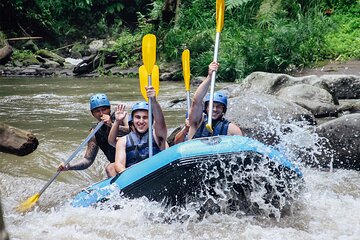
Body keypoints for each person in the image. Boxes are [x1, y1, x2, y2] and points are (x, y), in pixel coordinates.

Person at [57, 93, 129, 178]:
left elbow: (132, 131)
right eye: (97, 111)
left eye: (104, 109)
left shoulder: (121, 116)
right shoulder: (94, 133)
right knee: (110, 168)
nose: (101, 113)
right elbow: (88, 160)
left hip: (133, 157)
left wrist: (112, 124)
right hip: (116, 165)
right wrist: (69, 167)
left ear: (109, 109)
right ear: (93, 114)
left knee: (110, 168)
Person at [108, 86, 167, 173]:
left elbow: (161, 124)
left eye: (145, 117)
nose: (141, 121)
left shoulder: (157, 137)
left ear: (151, 120)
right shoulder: (123, 141)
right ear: (132, 120)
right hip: (134, 179)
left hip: (156, 175)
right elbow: (119, 166)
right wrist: (117, 121)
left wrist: (154, 101)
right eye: (137, 117)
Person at [188, 62, 243, 139]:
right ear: (206, 108)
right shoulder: (196, 122)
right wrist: (209, 76)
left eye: (219, 107)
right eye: (211, 106)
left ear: (223, 110)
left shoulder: (232, 130)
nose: (214, 109)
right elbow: (196, 101)